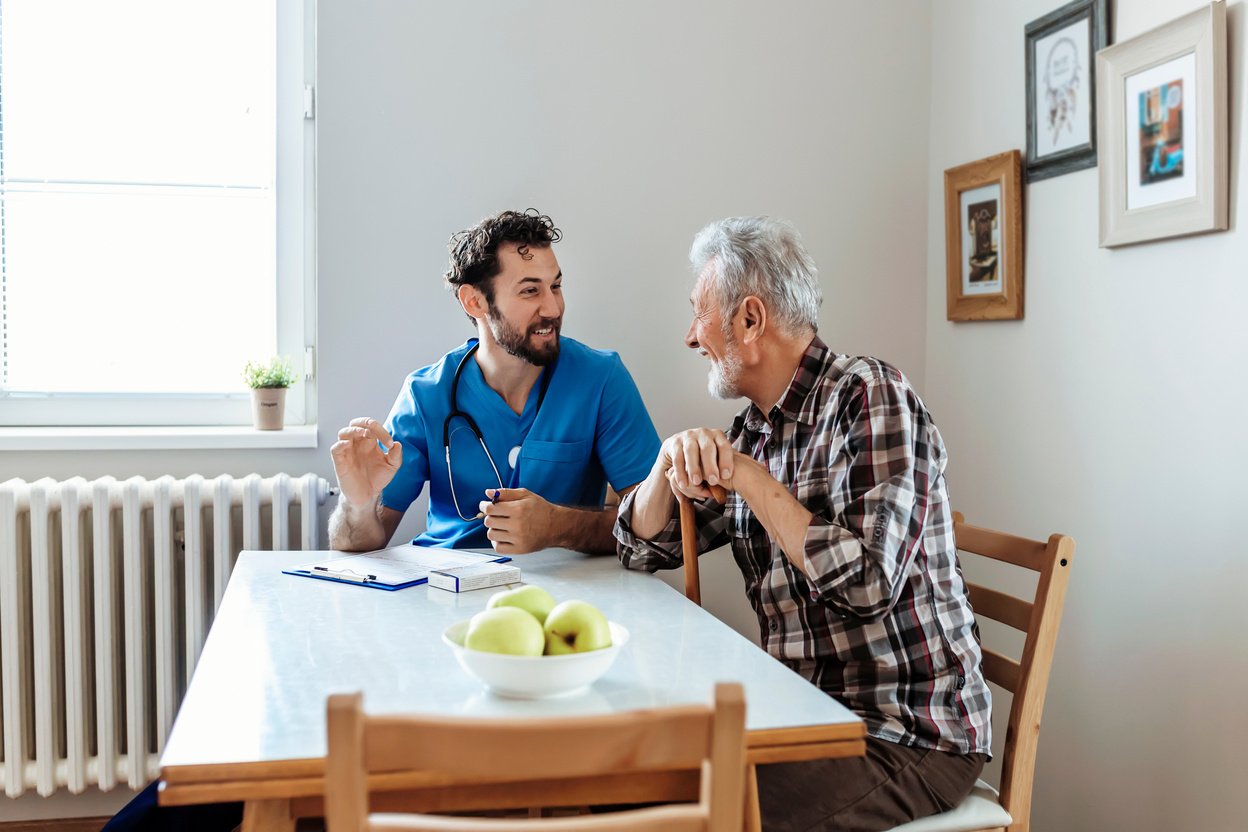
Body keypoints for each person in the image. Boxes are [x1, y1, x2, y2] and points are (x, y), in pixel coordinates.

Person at [614, 216, 991, 831]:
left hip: (907, 733)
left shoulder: (872, 396)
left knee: (694, 817)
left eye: (698, 313)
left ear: (750, 320)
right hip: (801, 716)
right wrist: (664, 466)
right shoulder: (754, 430)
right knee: (643, 782)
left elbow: (870, 584)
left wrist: (749, 477)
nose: (690, 336)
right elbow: (640, 548)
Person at [331, 209, 660, 555]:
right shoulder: (425, 395)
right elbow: (362, 542)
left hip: (566, 590)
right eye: (530, 291)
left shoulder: (600, 379)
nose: (553, 308)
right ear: (475, 301)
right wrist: (357, 505)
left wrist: (557, 526)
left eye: (556, 286)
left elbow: (654, 526)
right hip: (446, 590)